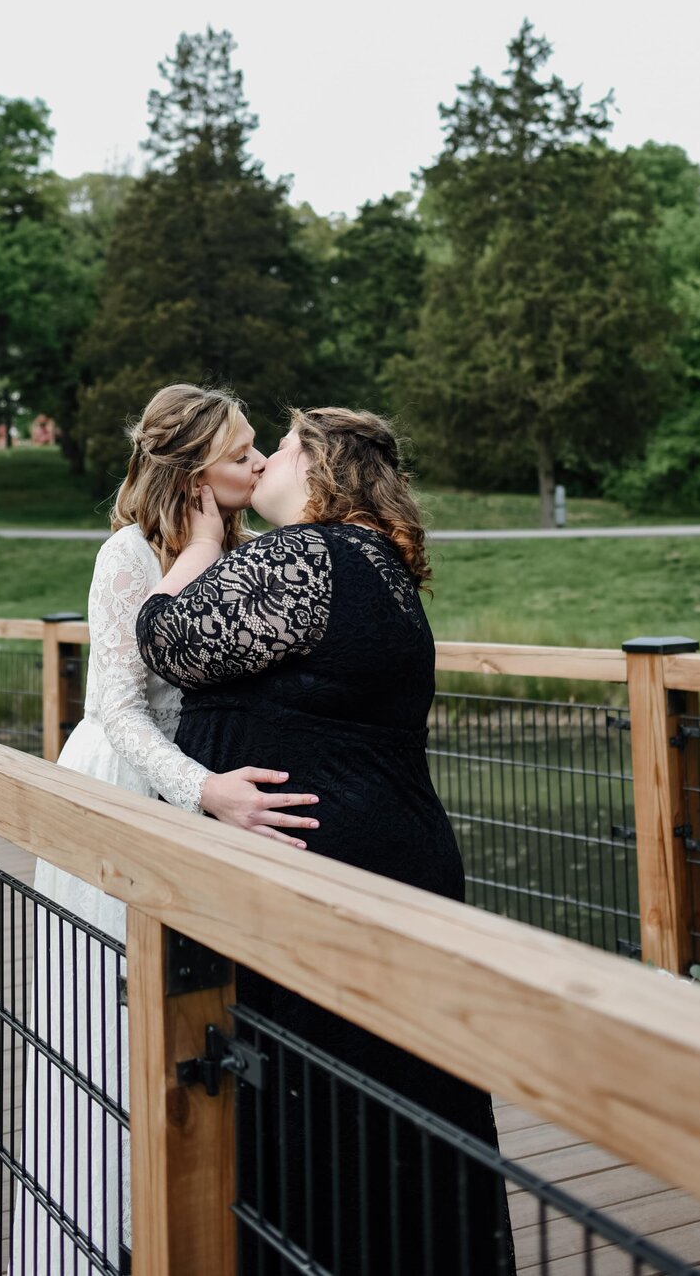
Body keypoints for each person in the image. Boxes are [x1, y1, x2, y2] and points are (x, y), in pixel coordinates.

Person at [136, 406, 515, 1276]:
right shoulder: (376, 565)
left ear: (322, 467)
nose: (263, 456)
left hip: (326, 869)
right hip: (385, 854)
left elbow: (169, 640)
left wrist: (196, 545)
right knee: (397, 1097)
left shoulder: (309, 554)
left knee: (322, 1099)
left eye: (282, 445)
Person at [8, 384, 320, 1276]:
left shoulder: (239, 551)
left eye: (261, 449)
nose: (259, 464)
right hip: (121, 788)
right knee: (107, 1019)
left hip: (197, 796)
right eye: (240, 454)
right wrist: (203, 791)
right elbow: (116, 707)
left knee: (194, 1022)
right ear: (189, 470)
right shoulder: (125, 557)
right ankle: (98, 1241)